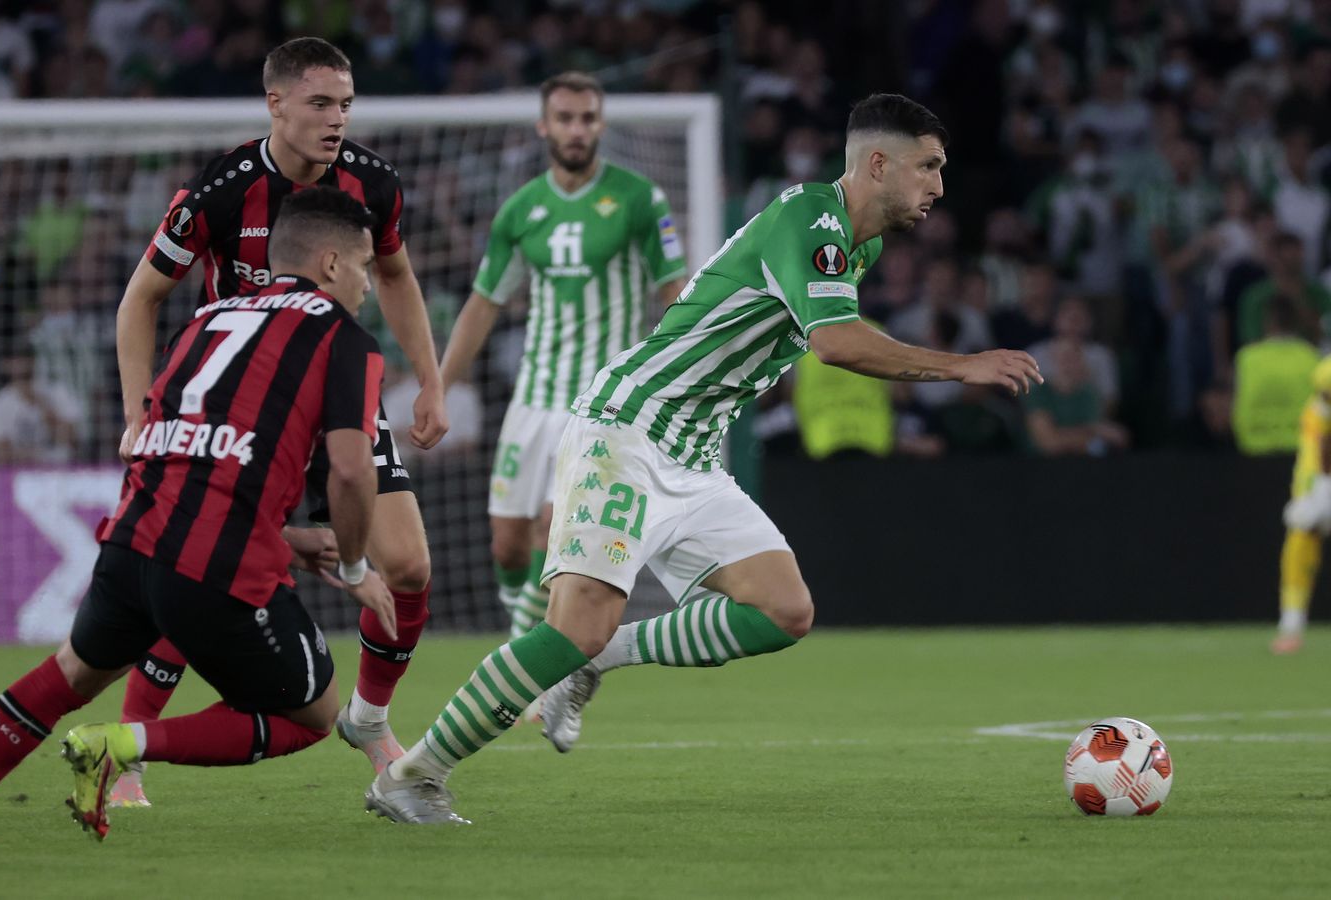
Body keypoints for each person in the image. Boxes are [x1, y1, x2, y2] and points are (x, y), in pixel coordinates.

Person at [365, 94, 1042, 824]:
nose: (938, 186)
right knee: (570, 627)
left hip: (690, 452)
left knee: (783, 610)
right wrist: (962, 365)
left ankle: (601, 660)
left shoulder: (857, 244)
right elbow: (836, 343)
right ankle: (412, 773)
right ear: (878, 163)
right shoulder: (810, 220)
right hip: (628, 430)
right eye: (928, 166)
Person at [0, 187, 398, 850]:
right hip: (217, 567)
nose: (366, 285)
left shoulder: (206, 320)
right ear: (331, 264)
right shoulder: (342, 336)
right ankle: (121, 745)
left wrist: (288, 539)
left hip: (134, 541)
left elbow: (195, 456)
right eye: (364, 267)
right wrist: (356, 566)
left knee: (72, 672)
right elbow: (353, 471)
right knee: (312, 714)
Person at [108, 37, 447, 804]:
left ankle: (369, 718)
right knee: (205, 565)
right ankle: (128, 751)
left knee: (413, 567)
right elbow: (140, 301)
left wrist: (429, 381)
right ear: (277, 104)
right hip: (246, 408)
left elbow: (394, 274)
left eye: (347, 104)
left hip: (335, 390)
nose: (337, 119)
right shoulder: (220, 190)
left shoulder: (372, 183)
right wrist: (137, 416)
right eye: (321, 103)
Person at [438, 71, 688, 639]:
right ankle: (529, 641)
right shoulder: (521, 210)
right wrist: (438, 386)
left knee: (556, 529)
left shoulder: (639, 199)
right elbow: (483, 304)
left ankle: (526, 663)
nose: (577, 130)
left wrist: (679, 370)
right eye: (566, 119)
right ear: (543, 126)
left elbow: (675, 291)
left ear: (600, 124)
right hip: (533, 400)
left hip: (599, 406)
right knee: (507, 546)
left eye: (587, 118)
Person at [1275, 356, 1331, 655]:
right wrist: (1321, 486)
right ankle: (1291, 625)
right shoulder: (1326, 376)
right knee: (1302, 530)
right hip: (1321, 479)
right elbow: (1323, 440)